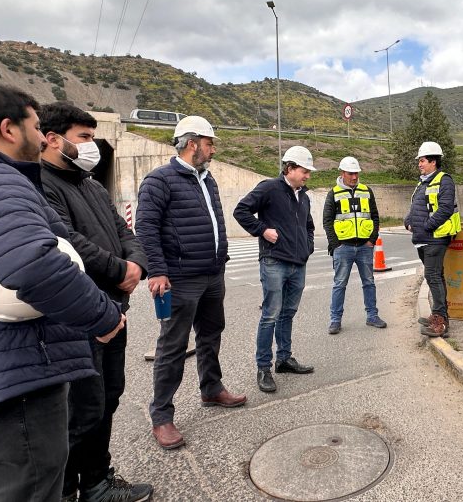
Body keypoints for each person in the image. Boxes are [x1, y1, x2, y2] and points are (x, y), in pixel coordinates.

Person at [0, 84, 125, 501]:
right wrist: (104, 316)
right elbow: (34, 265)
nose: (40, 135)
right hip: (9, 393)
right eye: (35, 125)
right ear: (8, 130)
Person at [39, 102, 152, 502]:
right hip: (80, 314)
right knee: (80, 409)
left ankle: (98, 481)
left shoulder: (91, 185)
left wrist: (135, 263)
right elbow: (66, 240)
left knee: (108, 396)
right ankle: (68, 490)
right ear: (53, 139)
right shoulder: (41, 184)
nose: (92, 146)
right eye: (84, 138)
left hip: (114, 310)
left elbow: (126, 231)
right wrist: (118, 270)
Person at [136, 115, 246, 451]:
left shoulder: (208, 180)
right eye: (210, 143)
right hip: (180, 279)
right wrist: (156, 271)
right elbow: (146, 229)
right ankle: (161, 415)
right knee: (172, 346)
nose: (213, 150)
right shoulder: (160, 181)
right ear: (193, 143)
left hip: (213, 273)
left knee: (211, 334)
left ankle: (211, 388)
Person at [234, 146, 317, 394]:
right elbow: (241, 210)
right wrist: (262, 230)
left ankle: (283, 359)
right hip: (274, 261)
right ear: (290, 168)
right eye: (304, 171)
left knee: (288, 313)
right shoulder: (269, 187)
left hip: (298, 263)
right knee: (270, 314)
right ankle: (263, 367)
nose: (307, 176)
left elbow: (309, 226)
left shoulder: (304, 196)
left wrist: (307, 247)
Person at [322, 156, 386, 334]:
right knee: (339, 284)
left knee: (369, 282)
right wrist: (336, 245)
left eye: (356, 173)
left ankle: (372, 316)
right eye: (351, 173)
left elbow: (374, 216)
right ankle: (335, 320)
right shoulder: (334, 193)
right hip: (344, 248)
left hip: (365, 247)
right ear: (342, 173)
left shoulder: (367, 191)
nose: (355, 177)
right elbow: (327, 221)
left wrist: (372, 240)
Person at [407, 141, 461, 338]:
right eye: (419, 161)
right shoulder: (423, 182)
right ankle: (439, 314)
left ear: (433, 161)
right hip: (423, 238)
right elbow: (416, 206)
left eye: (422, 161)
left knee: (432, 276)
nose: (419, 164)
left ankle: (441, 320)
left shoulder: (444, 180)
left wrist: (427, 226)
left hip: (435, 238)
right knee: (435, 276)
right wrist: (408, 220)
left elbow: (445, 209)